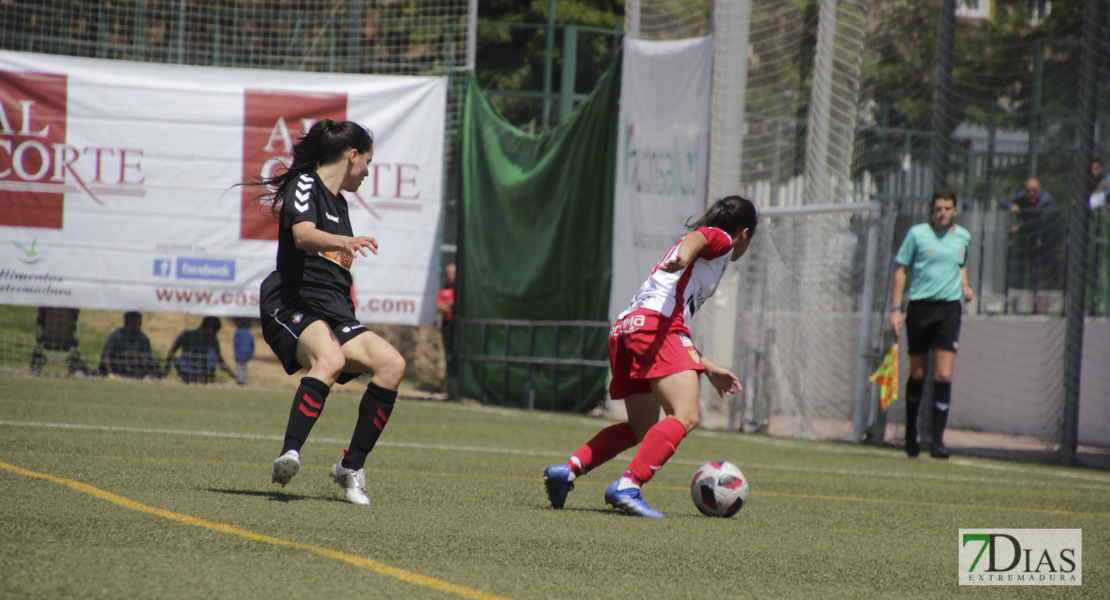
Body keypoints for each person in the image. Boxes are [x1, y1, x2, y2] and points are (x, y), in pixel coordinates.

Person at [542, 196, 757, 518]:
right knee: (685, 416)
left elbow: (672, 315)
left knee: (640, 427)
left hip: (628, 328)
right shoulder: (722, 239)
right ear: (745, 233)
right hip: (656, 328)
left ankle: (568, 470)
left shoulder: (707, 261)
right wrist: (684, 256)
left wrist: (707, 366)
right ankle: (629, 485)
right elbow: (698, 237)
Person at [248, 119, 405, 506]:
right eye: (367, 162)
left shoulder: (341, 204)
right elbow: (302, 236)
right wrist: (345, 241)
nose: (367, 172)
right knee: (330, 358)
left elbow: (335, 265)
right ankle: (290, 453)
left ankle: (351, 466)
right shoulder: (306, 185)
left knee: (392, 365)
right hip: (294, 303)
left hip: (334, 311)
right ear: (352, 156)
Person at [889, 190, 974, 460]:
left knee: (944, 375)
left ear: (955, 210)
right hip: (920, 308)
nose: (943, 213)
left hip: (949, 309)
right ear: (932, 210)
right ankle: (911, 434)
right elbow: (901, 269)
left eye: (947, 208)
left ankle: (938, 442)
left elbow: (961, 265)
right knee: (917, 374)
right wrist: (895, 308)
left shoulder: (963, 236)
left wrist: (965, 286)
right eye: (938, 208)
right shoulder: (917, 234)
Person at [999, 177, 1065, 294]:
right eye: (1028, 191)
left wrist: (1019, 228)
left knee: (1056, 267)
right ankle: (1037, 297)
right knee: (1036, 271)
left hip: (1054, 240)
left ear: (1040, 190)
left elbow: (1040, 222)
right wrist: (1011, 206)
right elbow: (1004, 202)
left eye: (1034, 191)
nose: (1031, 194)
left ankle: (1056, 294)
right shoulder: (1022, 197)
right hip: (1035, 241)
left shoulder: (1047, 202)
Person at [165, 316, 236, 384]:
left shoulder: (213, 340)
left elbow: (219, 359)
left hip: (203, 367)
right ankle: (194, 377)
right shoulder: (187, 334)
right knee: (179, 361)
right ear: (208, 328)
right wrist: (167, 367)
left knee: (212, 353)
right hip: (188, 365)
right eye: (215, 331)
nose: (215, 334)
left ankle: (204, 377)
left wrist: (231, 374)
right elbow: (173, 350)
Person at [99, 311, 160, 379]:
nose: (139, 325)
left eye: (139, 323)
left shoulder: (143, 338)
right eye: (135, 323)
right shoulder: (116, 336)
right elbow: (105, 356)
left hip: (134, 366)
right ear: (128, 323)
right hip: (118, 364)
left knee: (155, 365)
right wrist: (110, 373)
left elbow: (150, 358)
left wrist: (138, 359)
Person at [435, 262, 457, 387]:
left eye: (453, 273)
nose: (450, 276)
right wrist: (449, 304)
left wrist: (450, 304)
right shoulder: (444, 290)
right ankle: (449, 382)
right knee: (448, 353)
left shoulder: (460, 290)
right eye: (448, 273)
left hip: (458, 325)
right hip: (447, 324)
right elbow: (440, 306)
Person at [232, 317, 255, 386]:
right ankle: (244, 379)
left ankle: (240, 379)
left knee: (239, 366)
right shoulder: (249, 333)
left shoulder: (237, 332)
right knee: (244, 366)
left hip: (239, 352)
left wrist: (235, 352)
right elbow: (252, 344)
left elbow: (235, 343)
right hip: (248, 352)